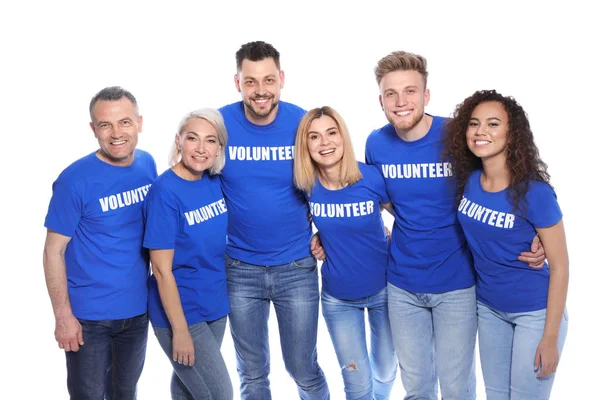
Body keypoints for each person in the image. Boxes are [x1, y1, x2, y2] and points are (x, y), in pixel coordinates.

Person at [364, 51, 546, 400]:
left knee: (456, 388)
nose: (401, 102)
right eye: (391, 93)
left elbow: (508, 173)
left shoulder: (455, 134)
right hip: (402, 284)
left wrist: (537, 229)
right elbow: (384, 197)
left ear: (426, 95)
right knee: (416, 388)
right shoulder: (376, 143)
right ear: (381, 100)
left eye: (411, 91)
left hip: (457, 284)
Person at [219, 40, 329, 400]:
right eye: (250, 82)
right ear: (238, 83)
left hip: (294, 267)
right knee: (252, 375)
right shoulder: (219, 125)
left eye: (268, 80)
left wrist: (329, 231)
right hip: (239, 268)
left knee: (303, 369)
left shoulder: (302, 123)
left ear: (281, 78)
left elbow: (329, 179)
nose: (260, 90)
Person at [444, 90, 568, 400]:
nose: (481, 131)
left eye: (493, 124)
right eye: (474, 124)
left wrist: (550, 337)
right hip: (489, 310)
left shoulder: (535, 193)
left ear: (512, 134)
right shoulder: (470, 182)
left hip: (535, 313)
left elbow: (562, 267)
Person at [42, 86, 157, 399]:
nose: (116, 133)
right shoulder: (74, 181)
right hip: (89, 318)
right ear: (93, 129)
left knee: (125, 392)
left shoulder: (147, 165)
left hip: (137, 312)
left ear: (139, 123)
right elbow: (53, 251)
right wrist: (63, 317)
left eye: (124, 122)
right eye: (105, 124)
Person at [294, 106, 397, 400]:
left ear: (343, 136)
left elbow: (406, 219)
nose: (324, 143)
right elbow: (300, 225)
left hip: (384, 292)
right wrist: (318, 237)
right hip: (339, 300)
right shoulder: (307, 185)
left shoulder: (371, 177)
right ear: (306, 145)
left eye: (331, 133)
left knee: (386, 370)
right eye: (314, 137)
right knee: (356, 381)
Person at [143, 108, 233, 400]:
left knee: (188, 390)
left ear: (219, 148)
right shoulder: (164, 192)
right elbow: (160, 269)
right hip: (181, 311)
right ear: (179, 141)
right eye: (192, 138)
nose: (201, 148)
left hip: (215, 304)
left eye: (210, 141)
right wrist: (179, 331)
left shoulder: (213, 182)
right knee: (219, 394)